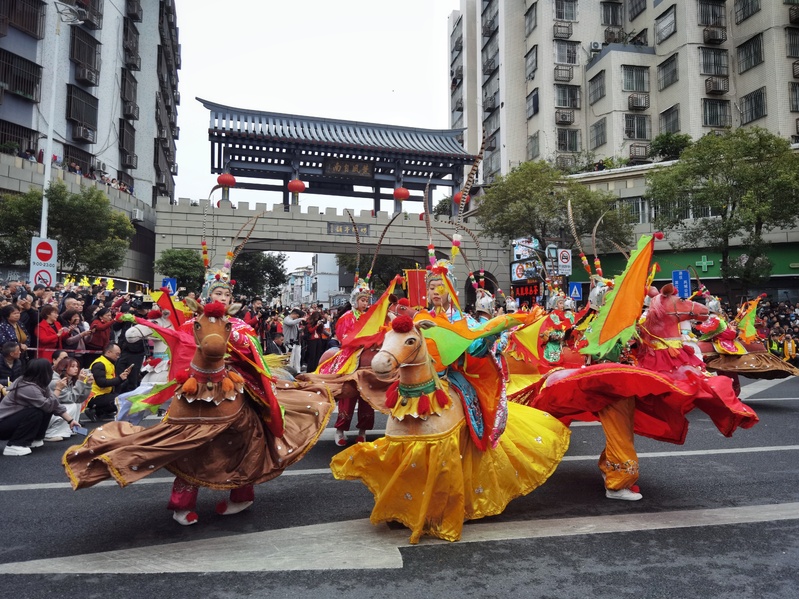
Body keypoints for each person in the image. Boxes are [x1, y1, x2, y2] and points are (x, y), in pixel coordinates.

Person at [0, 359, 82, 456]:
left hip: (8, 423)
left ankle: (35, 438)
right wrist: (58, 389)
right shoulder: (27, 387)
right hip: (3, 425)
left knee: (42, 409)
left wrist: (70, 421)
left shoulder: (38, 384)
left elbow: (54, 405)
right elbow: (48, 405)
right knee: (35, 411)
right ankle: (15, 445)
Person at [44, 356, 92, 441]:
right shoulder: (55, 381)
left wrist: (88, 385)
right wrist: (80, 381)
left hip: (52, 411)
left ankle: (72, 429)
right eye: (72, 366)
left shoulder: (68, 379)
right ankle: (50, 433)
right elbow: (70, 398)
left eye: (77, 366)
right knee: (72, 405)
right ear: (63, 367)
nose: (76, 369)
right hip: (46, 413)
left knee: (77, 404)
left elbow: (79, 399)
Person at [86, 343, 131, 421]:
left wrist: (122, 378)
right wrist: (119, 379)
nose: (118, 357)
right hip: (94, 396)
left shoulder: (109, 363)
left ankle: (103, 411)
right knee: (120, 399)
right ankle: (96, 411)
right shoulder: (99, 364)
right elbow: (101, 383)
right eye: (117, 354)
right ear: (108, 352)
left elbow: (113, 382)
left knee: (124, 391)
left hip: (102, 394)